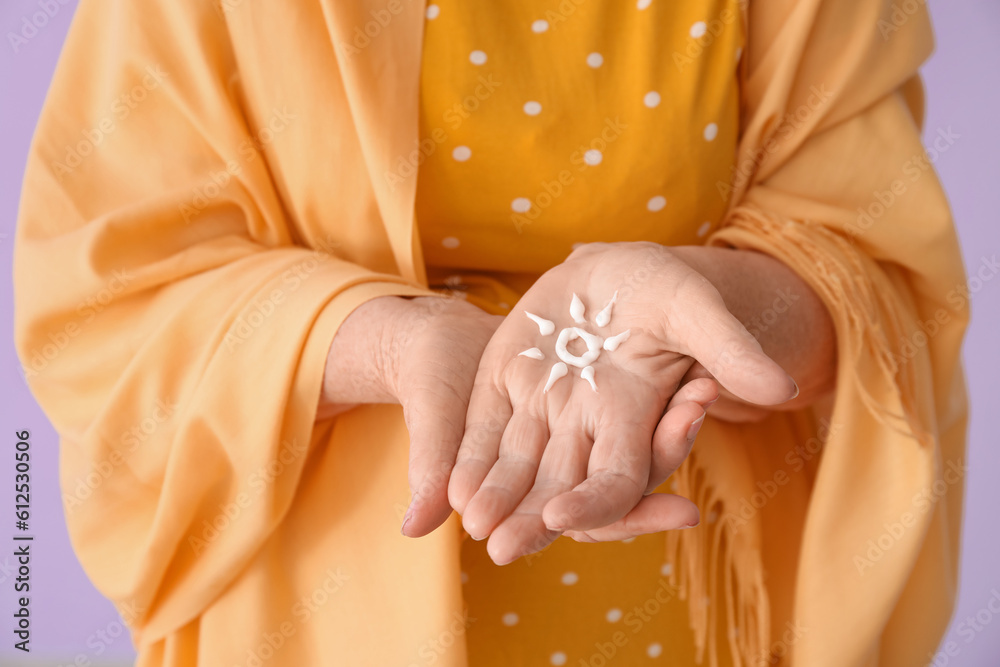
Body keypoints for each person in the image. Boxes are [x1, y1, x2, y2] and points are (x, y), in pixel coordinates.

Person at [13, 0, 968, 664]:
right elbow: (108, 294)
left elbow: (872, 284)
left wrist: (699, 300)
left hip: (681, 607)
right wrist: (382, 339)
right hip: (310, 615)